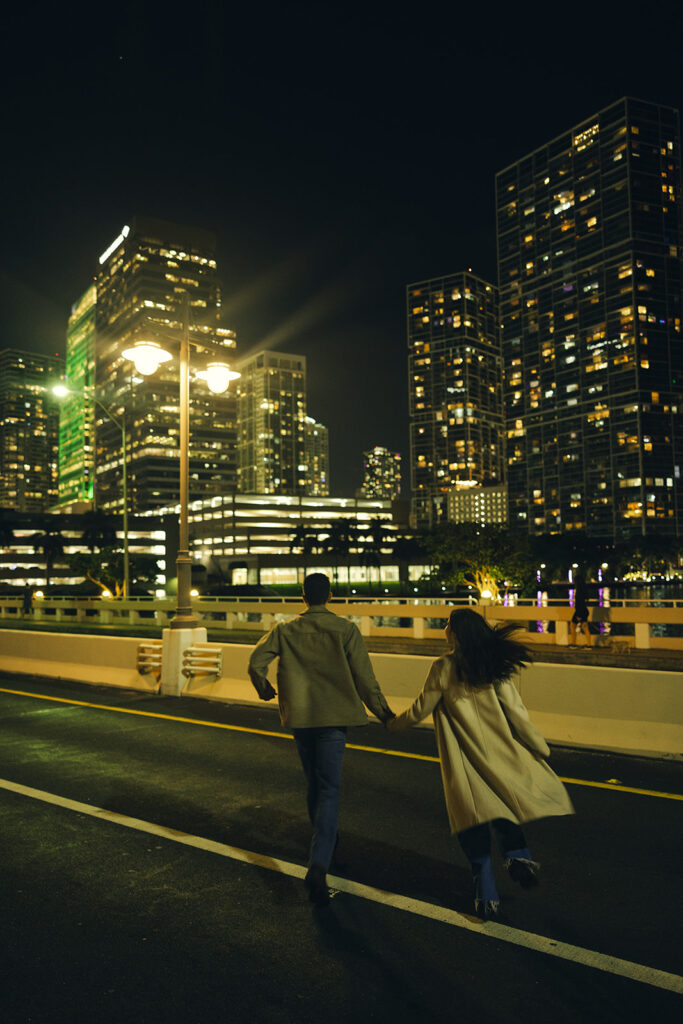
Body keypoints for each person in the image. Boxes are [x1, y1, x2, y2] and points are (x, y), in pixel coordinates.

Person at [387, 608, 573, 920]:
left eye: (447, 623)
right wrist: (539, 747)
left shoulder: (443, 667)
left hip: (464, 760)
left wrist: (392, 724)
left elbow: (420, 709)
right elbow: (517, 712)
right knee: (504, 807)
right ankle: (518, 858)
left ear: (456, 633)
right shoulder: (492, 665)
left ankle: (485, 892)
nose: (444, 627)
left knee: (470, 822)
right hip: (501, 754)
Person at [248, 572, 395, 907]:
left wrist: (266, 689)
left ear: (303, 596)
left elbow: (256, 662)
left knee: (314, 783)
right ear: (329, 595)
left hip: (301, 717)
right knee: (328, 787)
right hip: (333, 718)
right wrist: (384, 713)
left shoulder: (284, 630)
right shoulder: (345, 630)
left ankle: (324, 840)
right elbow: (364, 678)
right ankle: (319, 862)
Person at [569, 575, 591, 647]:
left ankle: (574, 643)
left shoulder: (579, 590)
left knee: (572, 626)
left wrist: (579, 615)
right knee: (585, 628)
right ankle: (589, 644)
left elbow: (579, 603)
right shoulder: (584, 589)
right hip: (584, 610)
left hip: (579, 611)